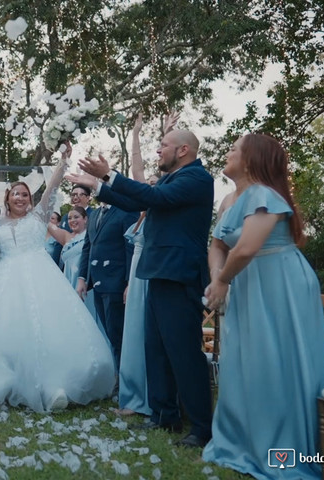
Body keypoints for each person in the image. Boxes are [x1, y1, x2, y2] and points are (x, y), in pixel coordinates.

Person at [68, 128, 214, 449]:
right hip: (157, 273)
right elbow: (136, 198)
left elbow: (152, 198)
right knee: (156, 348)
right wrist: (99, 187)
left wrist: (109, 174)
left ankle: (202, 428)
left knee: (183, 352)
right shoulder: (168, 180)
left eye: (163, 145)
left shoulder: (197, 178)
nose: (158, 150)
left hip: (180, 275)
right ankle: (165, 415)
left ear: (184, 150)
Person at [201, 134, 324, 478]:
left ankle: (282, 449)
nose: (228, 152)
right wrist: (217, 274)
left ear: (252, 159)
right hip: (246, 283)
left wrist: (222, 281)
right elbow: (218, 245)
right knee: (247, 361)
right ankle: (243, 439)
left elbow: (245, 248)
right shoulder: (229, 200)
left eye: (235, 149)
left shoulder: (264, 194)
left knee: (276, 360)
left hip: (280, 283)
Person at [0, 150, 115, 412]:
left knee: (48, 330)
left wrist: (62, 162)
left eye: (25, 194)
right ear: (7, 198)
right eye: (15, 193)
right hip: (3, 281)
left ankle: (54, 386)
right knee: (5, 332)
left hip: (41, 278)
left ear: (30, 200)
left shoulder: (38, 217)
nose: (20, 197)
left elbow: (51, 188)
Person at [116, 112, 177, 417]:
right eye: (149, 183)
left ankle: (155, 399)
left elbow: (163, 173)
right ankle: (134, 396)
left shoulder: (166, 200)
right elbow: (137, 174)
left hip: (157, 270)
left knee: (151, 335)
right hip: (137, 273)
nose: (150, 184)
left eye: (155, 183)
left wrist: (169, 133)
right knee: (134, 333)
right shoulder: (142, 212)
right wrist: (136, 136)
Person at [75, 180, 138, 379]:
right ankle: (115, 377)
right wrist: (83, 277)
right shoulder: (93, 215)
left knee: (118, 334)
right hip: (98, 283)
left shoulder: (125, 212)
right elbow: (88, 247)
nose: (96, 189)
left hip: (116, 282)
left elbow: (130, 248)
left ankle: (124, 382)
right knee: (108, 333)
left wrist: (129, 282)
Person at [47, 206, 101, 333]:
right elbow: (47, 223)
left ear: (85, 219)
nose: (72, 220)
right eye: (70, 218)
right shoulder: (66, 237)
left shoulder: (92, 236)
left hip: (85, 283)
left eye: (76, 217)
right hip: (68, 282)